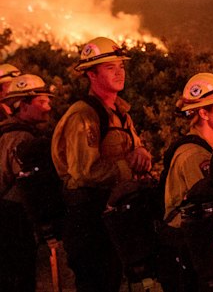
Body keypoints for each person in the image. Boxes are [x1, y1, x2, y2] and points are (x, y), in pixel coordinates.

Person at [51, 37, 152, 292]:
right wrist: (129, 166)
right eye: (110, 67)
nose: (120, 72)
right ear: (91, 74)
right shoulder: (83, 115)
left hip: (112, 217)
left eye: (121, 66)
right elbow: (85, 172)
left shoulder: (120, 113)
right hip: (89, 220)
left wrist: (141, 152)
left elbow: (130, 148)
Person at [159, 72, 213, 292]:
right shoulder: (195, 157)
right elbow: (211, 208)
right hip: (190, 253)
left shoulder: (206, 150)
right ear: (203, 112)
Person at [0, 74, 54, 292]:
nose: (48, 107)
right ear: (22, 105)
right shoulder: (21, 139)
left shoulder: (10, 133)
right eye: (41, 102)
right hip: (13, 218)